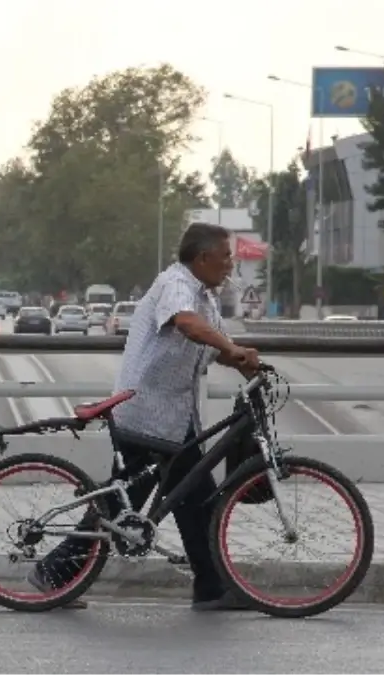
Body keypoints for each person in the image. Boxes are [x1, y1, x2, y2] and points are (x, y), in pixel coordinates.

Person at [28, 222, 260, 612]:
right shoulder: (175, 284)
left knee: (193, 496)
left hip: (174, 415)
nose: (230, 265)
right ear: (202, 258)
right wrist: (230, 348)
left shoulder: (204, 295)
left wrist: (245, 362)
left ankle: (210, 587)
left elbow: (214, 342)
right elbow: (185, 323)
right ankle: (53, 573)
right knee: (125, 505)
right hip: (144, 412)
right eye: (225, 257)